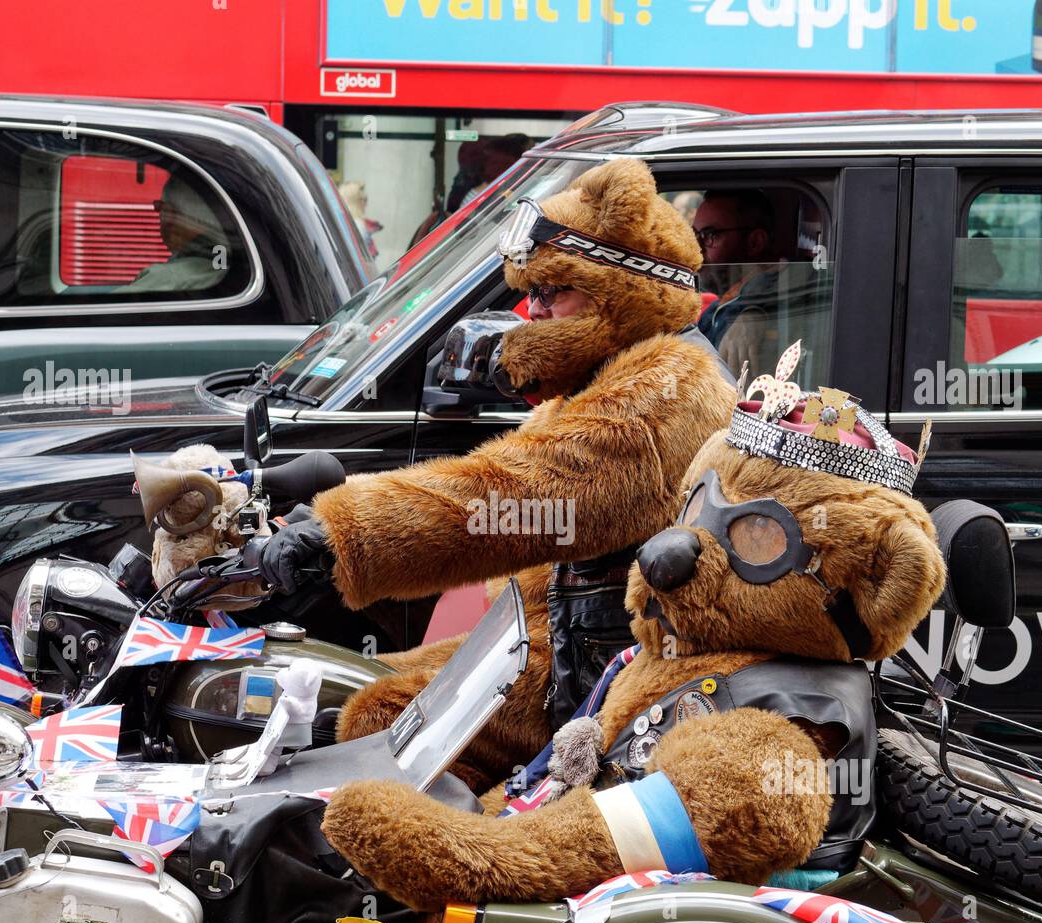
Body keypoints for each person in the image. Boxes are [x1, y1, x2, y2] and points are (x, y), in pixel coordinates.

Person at [259, 158, 735, 796]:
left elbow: (514, 492)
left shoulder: (666, 389)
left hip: (592, 682)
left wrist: (343, 532)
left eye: (553, 293)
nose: (531, 312)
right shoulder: (612, 375)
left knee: (375, 719)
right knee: (345, 681)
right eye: (529, 292)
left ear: (621, 291)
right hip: (546, 643)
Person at [694, 189, 781, 378]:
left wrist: (754, 312)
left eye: (710, 235)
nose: (696, 249)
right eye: (695, 235)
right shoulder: (721, 306)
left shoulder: (776, 302)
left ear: (755, 242)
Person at [119, 176, 228, 294]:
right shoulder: (223, 267)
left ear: (171, 216)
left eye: (160, 207)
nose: (160, 216)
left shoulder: (164, 278)